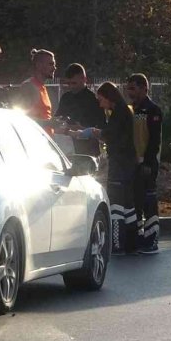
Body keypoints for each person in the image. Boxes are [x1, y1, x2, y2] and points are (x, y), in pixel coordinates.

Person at [73, 81, 137, 255]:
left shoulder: (119, 113)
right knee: (128, 205)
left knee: (116, 204)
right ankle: (132, 243)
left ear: (109, 98)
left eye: (101, 100)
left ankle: (117, 243)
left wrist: (94, 132)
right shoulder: (124, 111)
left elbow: (111, 135)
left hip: (119, 162)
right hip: (127, 162)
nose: (100, 104)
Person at [124, 73, 163, 254]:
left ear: (144, 88)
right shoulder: (130, 109)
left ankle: (152, 240)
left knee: (149, 202)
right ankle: (138, 238)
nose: (129, 92)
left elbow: (154, 140)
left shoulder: (153, 110)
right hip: (132, 165)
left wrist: (147, 162)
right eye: (128, 88)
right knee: (135, 203)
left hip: (147, 165)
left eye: (133, 88)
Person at [55, 63, 106, 156]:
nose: (71, 86)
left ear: (84, 79)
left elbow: (102, 128)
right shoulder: (66, 98)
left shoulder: (94, 100)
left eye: (74, 83)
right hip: (67, 148)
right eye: (68, 83)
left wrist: (83, 130)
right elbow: (57, 120)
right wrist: (64, 126)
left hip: (89, 151)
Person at [18, 48, 57, 135]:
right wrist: (49, 123)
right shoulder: (29, 86)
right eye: (51, 64)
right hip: (34, 139)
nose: (54, 68)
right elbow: (23, 118)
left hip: (45, 140)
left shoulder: (42, 86)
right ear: (39, 65)